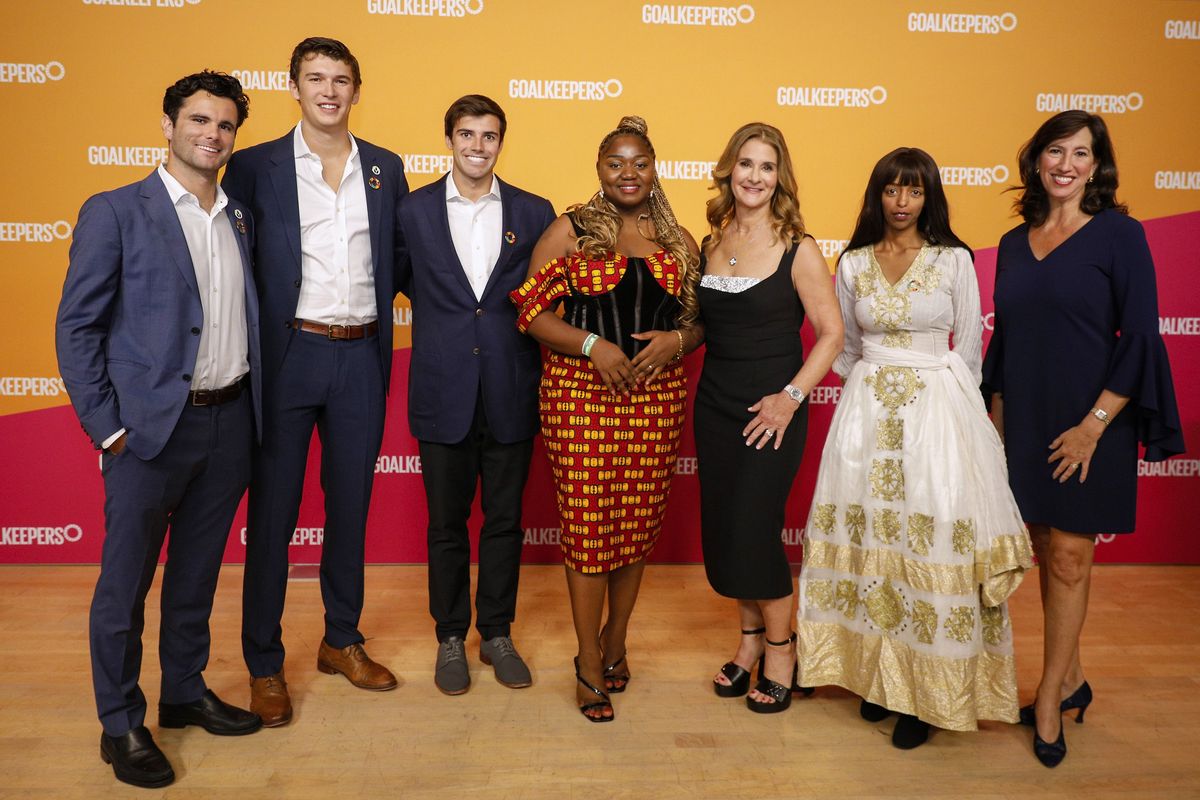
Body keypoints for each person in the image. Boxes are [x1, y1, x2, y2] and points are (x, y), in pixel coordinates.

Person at [56, 71, 263, 788]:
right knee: (124, 586)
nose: (213, 134)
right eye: (199, 121)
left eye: (225, 124)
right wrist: (107, 430)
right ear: (169, 126)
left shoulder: (239, 216)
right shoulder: (116, 211)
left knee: (197, 576)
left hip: (229, 422)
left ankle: (183, 690)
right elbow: (78, 327)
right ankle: (120, 723)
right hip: (145, 435)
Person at [796, 147, 1034, 749]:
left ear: (930, 197)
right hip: (866, 417)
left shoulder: (955, 260)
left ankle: (927, 696)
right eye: (892, 190)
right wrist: (874, 394)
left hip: (937, 412)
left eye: (914, 191)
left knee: (925, 540)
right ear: (877, 196)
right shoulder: (850, 263)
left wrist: (951, 412)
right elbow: (845, 348)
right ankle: (877, 680)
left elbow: (972, 349)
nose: (901, 202)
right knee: (873, 538)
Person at [982, 111, 1184, 767]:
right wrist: (998, 423)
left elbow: (1142, 336)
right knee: (1042, 546)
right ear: (1036, 160)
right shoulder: (1015, 243)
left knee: (1070, 556)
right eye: (1054, 151)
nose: (1065, 163)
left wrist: (1094, 426)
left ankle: (1048, 700)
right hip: (1027, 417)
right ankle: (1073, 677)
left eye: (1080, 153)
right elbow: (1007, 339)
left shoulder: (1121, 236)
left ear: (1097, 167)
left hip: (1091, 421)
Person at [221, 36, 409, 726]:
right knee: (273, 515)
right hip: (287, 355)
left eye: (341, 80)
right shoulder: (252, 167)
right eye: (316, 79)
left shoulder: (386, 169)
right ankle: (264, 664)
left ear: (358, 90)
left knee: (351, 507)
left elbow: (403, 264)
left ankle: (341, 639)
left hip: (360, 355)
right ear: (293, 86)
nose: (329, 91)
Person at [510, 116, 701, 722]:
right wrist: (593, 346)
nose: (627, 173)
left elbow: (703, 323)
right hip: (578, 400)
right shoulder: (570, 230)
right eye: (615, 162)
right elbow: (530, 314)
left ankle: (617, 641)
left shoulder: (678, 240)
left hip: (655, 402)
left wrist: (677, 340)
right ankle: (588, 660)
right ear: (599, 168)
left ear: (654, 166)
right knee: (590, 529)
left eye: (638, 162)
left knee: (637, 526)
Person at [396, 95, 555, 695]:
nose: (478, 146)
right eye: (467, 134)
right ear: (449, 139)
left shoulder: (534, 212)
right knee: (446, 525)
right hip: (442, 391)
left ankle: (496, 632)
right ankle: (448, 637)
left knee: (505, 522)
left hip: (512, 388)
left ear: (500, 143)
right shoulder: (410, 212)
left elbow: (547, 294)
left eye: (489, 136)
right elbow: (405, 282)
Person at [695, 123, 842, 714]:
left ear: (780, 178)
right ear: (730, 169)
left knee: (756, 532)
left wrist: (790, 398)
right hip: (715, 404)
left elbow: (831, 335)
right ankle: (749, 640)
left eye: (767, 167)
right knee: (729, 531)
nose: (754, 176)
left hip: (774, 409)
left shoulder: (798, 246)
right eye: (746, 164)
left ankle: (783, 650)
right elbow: (707, 324)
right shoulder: (710, 241)